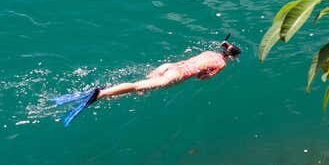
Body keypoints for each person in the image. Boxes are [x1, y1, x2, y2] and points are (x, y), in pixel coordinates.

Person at [53, 36, 242, 126]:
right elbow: (203, 78)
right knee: (137, 87)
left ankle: (107, 92)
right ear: (232, 57)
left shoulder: (209, 52)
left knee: (141, 88)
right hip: (176, 75)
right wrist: (204, 75)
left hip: (169, 66)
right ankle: (101, 93)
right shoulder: (221, 63)